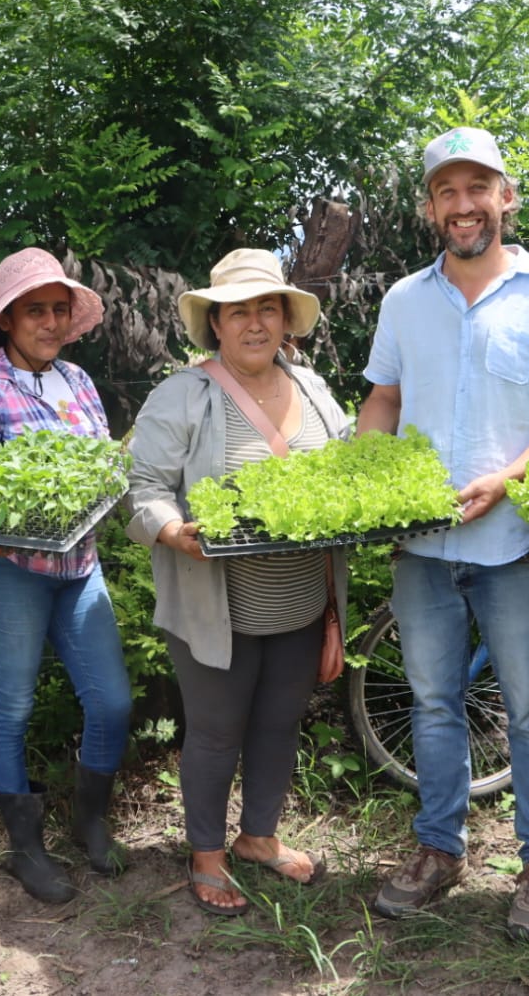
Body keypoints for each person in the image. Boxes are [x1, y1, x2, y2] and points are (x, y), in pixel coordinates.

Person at [356, 126, 529, 938]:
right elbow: (383, 399)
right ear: (430, 207)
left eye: (476, 188)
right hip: (420, 547)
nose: (462, 205)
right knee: (432, 701)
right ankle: (438, 848)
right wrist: (366, 472)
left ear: (505, 196)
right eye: (445, 192)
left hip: (508, 544)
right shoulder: (402, 300)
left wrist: (509, 479)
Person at [128, 249, 350, 916]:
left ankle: (257, 837)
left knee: (279, 726)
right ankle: (206, 853)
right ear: (215, 324)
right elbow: (142, 491)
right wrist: (173, 533)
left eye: (267, 309)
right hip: (214, 605)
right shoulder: (183, 394)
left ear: (286, 320)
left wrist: (337, 611)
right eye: (238, 312)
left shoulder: (312, 389)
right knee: (216, 732)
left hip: (300, 600)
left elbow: (348, 484)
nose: (255, 324)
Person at [0, 247, 132, 904]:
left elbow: (107, 469)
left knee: (111, 700)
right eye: (35, 311)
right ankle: (25, 847)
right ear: (6, 320)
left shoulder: (78, 381)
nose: (50, 322)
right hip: (8, 573)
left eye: (59, 309)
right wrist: (43, 501)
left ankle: (89, 820)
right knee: (11, 704)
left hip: (78, 566)